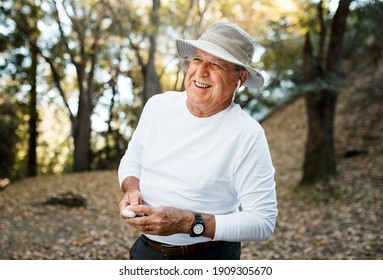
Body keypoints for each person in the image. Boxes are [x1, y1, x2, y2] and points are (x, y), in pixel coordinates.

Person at [118, 21, 278, 260]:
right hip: (147, 252)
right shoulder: (157, 106)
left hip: (209, 256)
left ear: (240, 79)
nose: (201, 71)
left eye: (216, 64)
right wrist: (131, 189)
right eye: (197, 59)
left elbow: (263, 222)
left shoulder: (247, 134)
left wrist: (188, 224)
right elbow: (132, 159)